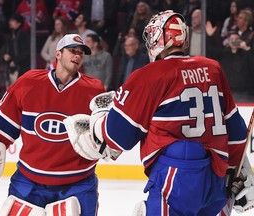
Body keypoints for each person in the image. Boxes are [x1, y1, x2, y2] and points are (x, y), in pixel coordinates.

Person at [64, 10, 251, 215]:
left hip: (177, 177)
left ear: (159, 38)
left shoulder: (150, 75)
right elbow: (236, 131)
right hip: (215, 176)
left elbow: (118, 138)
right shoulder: (212, 68)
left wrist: (99, 120)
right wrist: (237, 171)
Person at [0, 34, 105, 216]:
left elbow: (106, 133)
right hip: (29, 182)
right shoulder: (29, 82)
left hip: (78, 183)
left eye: (81, 53)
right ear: (57, 54)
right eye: (72, 51)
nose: (77, 56)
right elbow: (1, 127)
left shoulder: (94, 90)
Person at [2, 13, 31, 85]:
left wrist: (15, 61)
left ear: (18, 23)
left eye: (12, 21)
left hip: (21, 67)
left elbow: (26, 51)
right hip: (11, 67)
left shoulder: (23, 35)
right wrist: (5, 55)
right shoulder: (10, 35)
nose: (10, 22)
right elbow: (6, 49)